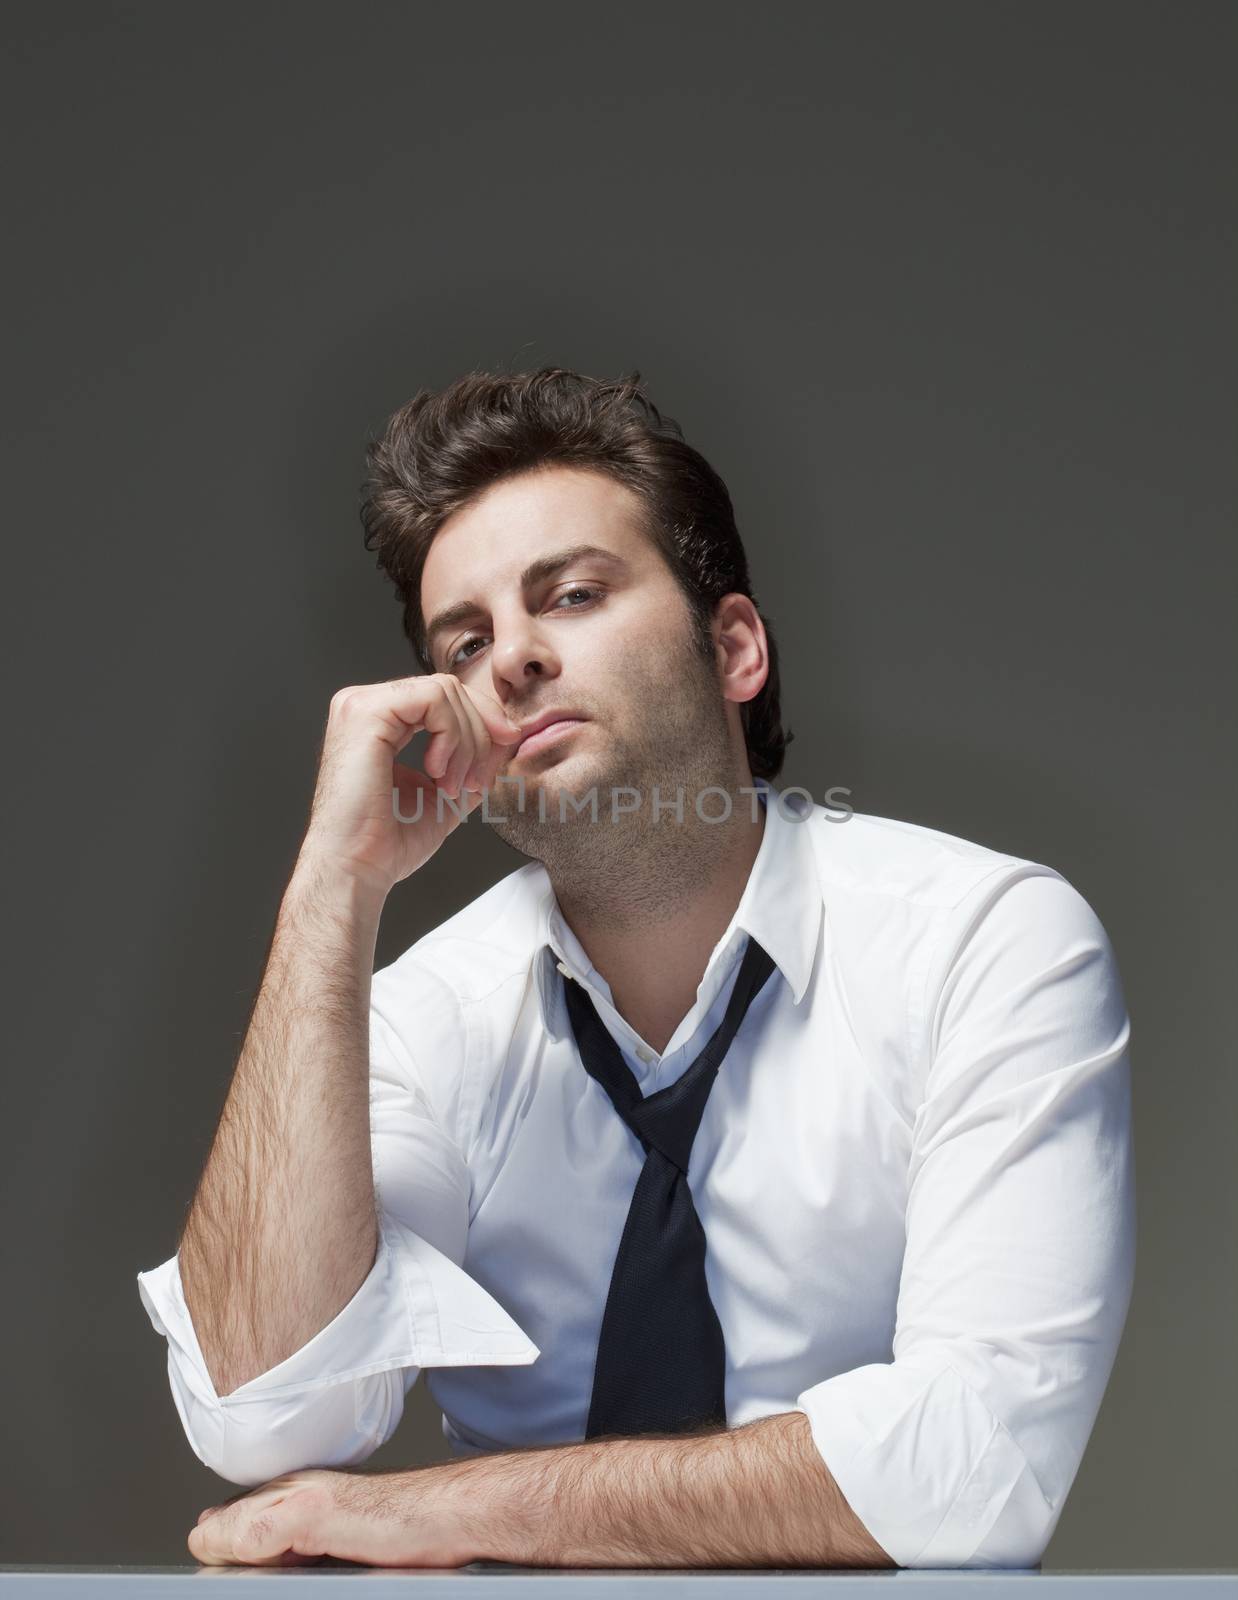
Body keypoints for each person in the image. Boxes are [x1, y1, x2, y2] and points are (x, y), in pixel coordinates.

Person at [136, 368, 1135, 1572]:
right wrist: (330, 886)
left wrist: (454, 1510)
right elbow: (263, 1408)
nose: (510, 658)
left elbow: (973, 1464)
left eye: (569, 594)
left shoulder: (982, 940)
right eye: (466, 639)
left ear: (734, 649)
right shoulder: (421, 1019)